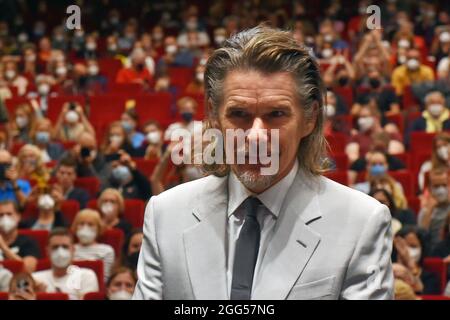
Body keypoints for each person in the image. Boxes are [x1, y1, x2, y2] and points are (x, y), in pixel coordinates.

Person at [133, 26, 393, 300]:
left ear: (310, 118)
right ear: (213, 116)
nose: (256, 136)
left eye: (276, 114)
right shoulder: (165, 215)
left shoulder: (362, 222)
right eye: (239, 114)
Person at [32, 227, 99, 300]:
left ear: (73, 250)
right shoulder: (35, 279)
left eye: (65, 247)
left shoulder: (86, 276)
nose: (60, 252)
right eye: (55, 247)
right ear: (47, 251)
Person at [393, 226, 441, 295]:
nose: (406, 251)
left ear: (422, 248)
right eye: (402, 246)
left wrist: (411, 266)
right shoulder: (387, 274)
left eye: (413, 246)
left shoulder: (431, 279)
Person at [71, 209, 115, 281]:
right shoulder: (69, 249)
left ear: (98, 228)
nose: (85, 227)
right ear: (75, 227)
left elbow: (105, 279)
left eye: (90, 224)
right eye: (81, 224)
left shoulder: (107, 250)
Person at [0, 200, 40, 272]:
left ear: (18, 217)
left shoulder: (28, 242)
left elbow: (29, 269)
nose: (4, 218)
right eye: (1, 215)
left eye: (9, 214)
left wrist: (4, 248)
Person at [418, 168, 450, 249]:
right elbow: (421, 237)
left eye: (444, 185)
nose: (441, 190)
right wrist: (429, 211)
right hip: (433, 251)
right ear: (430, 189)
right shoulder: (425, 211)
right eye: (436, 186)